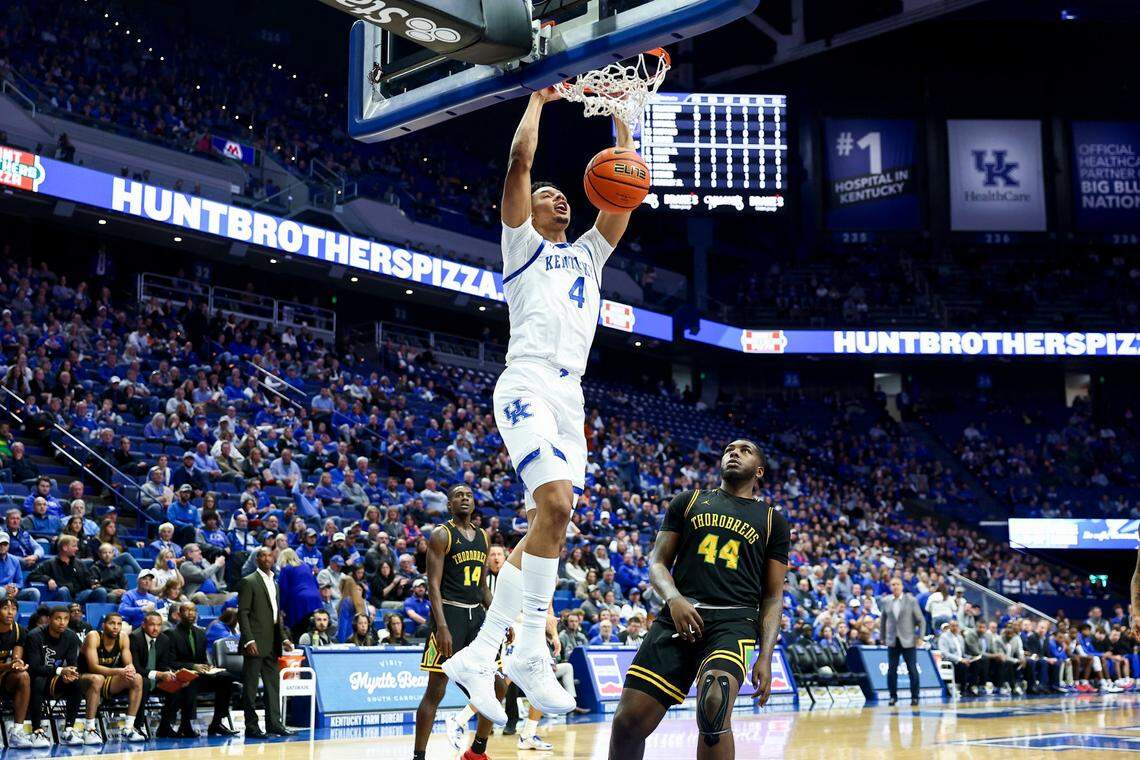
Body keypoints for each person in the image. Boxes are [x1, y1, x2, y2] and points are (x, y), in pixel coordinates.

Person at [442, 85, 638, 725]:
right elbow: (520, 166)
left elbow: (623, 195)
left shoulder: (588, 255)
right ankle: (526, 650)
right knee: (552, 505)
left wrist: (623, 130)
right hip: (525, 382)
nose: (555, 197)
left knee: (548, 528)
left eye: (563, 195)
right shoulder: (522, 248)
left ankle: (480, 654)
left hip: (570, 394)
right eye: (547, 195)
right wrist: (539, 101)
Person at [608, 440, 791, 760]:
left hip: (733, 622)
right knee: (628, 722)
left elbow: (774, 596)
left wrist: (765, 655)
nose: (734, 452)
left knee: (714, 703)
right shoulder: (688, 501)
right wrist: (675, 599)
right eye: (729, 449)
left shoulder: (773, 520)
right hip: (678, 614)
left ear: (759, 471)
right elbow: (657, 564)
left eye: (745, 450)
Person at [414, 484, 500, 760]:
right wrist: (441, 626)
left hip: (478, 618)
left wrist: (500, 621)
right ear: (449, 504)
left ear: (474, 504)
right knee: (436, 690)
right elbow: (433, 586)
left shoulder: (483, 537)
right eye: (458, 496)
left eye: (469, 496)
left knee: (497, 685)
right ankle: (419, 755)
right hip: (450, 615)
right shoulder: (442, 535)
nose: (465, 499)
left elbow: (484, 587)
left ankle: (477, 751)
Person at [238, 546, 295, 738]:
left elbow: (276, 615)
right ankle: (252, 727)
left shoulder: (275, 583)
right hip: (254, 643)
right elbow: (243, 613)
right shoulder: (249, 581)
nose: (267, 558)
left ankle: (274, 724)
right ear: (257, 559)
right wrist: (248, 639)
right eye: (262, 555)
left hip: (272, 643)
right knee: (251, 688)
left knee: (273, 686)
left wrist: (284, 638)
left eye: (270, 555)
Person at [26, 606, 104, 745]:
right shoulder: (35, 635)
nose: (62, 622)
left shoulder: (71, 636)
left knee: (77, 681)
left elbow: (73, 663)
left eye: (66, 619)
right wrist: (61, 671)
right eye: (58, 618)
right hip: (34, 678)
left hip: (56, 678)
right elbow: (34, 667)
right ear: (49, 620)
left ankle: (69, 729)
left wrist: (71, 674)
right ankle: (36, 730)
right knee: (38, 681)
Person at [163, 602, 237, 737]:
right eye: (186, 610)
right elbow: (171, 662)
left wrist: (208, 667)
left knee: (226, 677)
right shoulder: (171, 633)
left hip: (200, 675)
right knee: (191, 681)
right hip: (181, 675)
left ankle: (217, 723)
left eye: (193, 610)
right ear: (179, 614)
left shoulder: (201, 633)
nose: (191, 613)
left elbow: (202, 659)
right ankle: (186, 725)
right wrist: (192, 666)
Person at [80, 612, 146, 742]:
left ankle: (128, 728)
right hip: (84, 677)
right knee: (97, 679)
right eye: (112, 623)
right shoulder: (94, 636)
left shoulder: (123, 638)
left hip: (106, 679)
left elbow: (129, 663)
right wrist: (119, 671)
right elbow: (93, 667)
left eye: (119, 624)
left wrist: (130, 669)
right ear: (104, 625)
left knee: (137, 678)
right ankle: (89, 729)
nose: (116, 627)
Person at [0, 598, 42, 748]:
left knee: (23, 676)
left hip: (3, 675)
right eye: (5, 608)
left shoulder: (19, 631)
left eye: (14, 609)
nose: (10, 612)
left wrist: (18, 664)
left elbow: (17, 656)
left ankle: (17, 732)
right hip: (3, 669)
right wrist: (8, 666)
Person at [879, 577, 927, 706]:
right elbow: (883, 620)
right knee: (891, 670)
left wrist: (920, 637)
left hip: (909, 640)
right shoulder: (886, 601)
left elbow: (921, 620)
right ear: (890, 587)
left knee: (912, 669)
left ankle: (915, 697)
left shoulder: (911, 600)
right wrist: (882, 637)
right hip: (892, 640)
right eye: (892, 584)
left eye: (897, 584)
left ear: (902, 586)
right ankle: (893, 697)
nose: (895, 586)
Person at [278, 547, 324, 641]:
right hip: (316, 600)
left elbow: (283, 589)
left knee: (299, 632)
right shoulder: (306, 567)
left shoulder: (286, 568)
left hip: (299, 602)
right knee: (314, 630)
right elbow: (315, 583)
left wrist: (281, 608)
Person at [0, 531, 39, 603]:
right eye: (0, 544)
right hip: (2, 591)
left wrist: (16, 588)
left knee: (34, 592)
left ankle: (32, 613)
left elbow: (20, 582)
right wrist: (4, 588)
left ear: (9, 545)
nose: (2, 546)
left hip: (11, 591)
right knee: (1, 591)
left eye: (5, 544)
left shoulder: (15, 560)